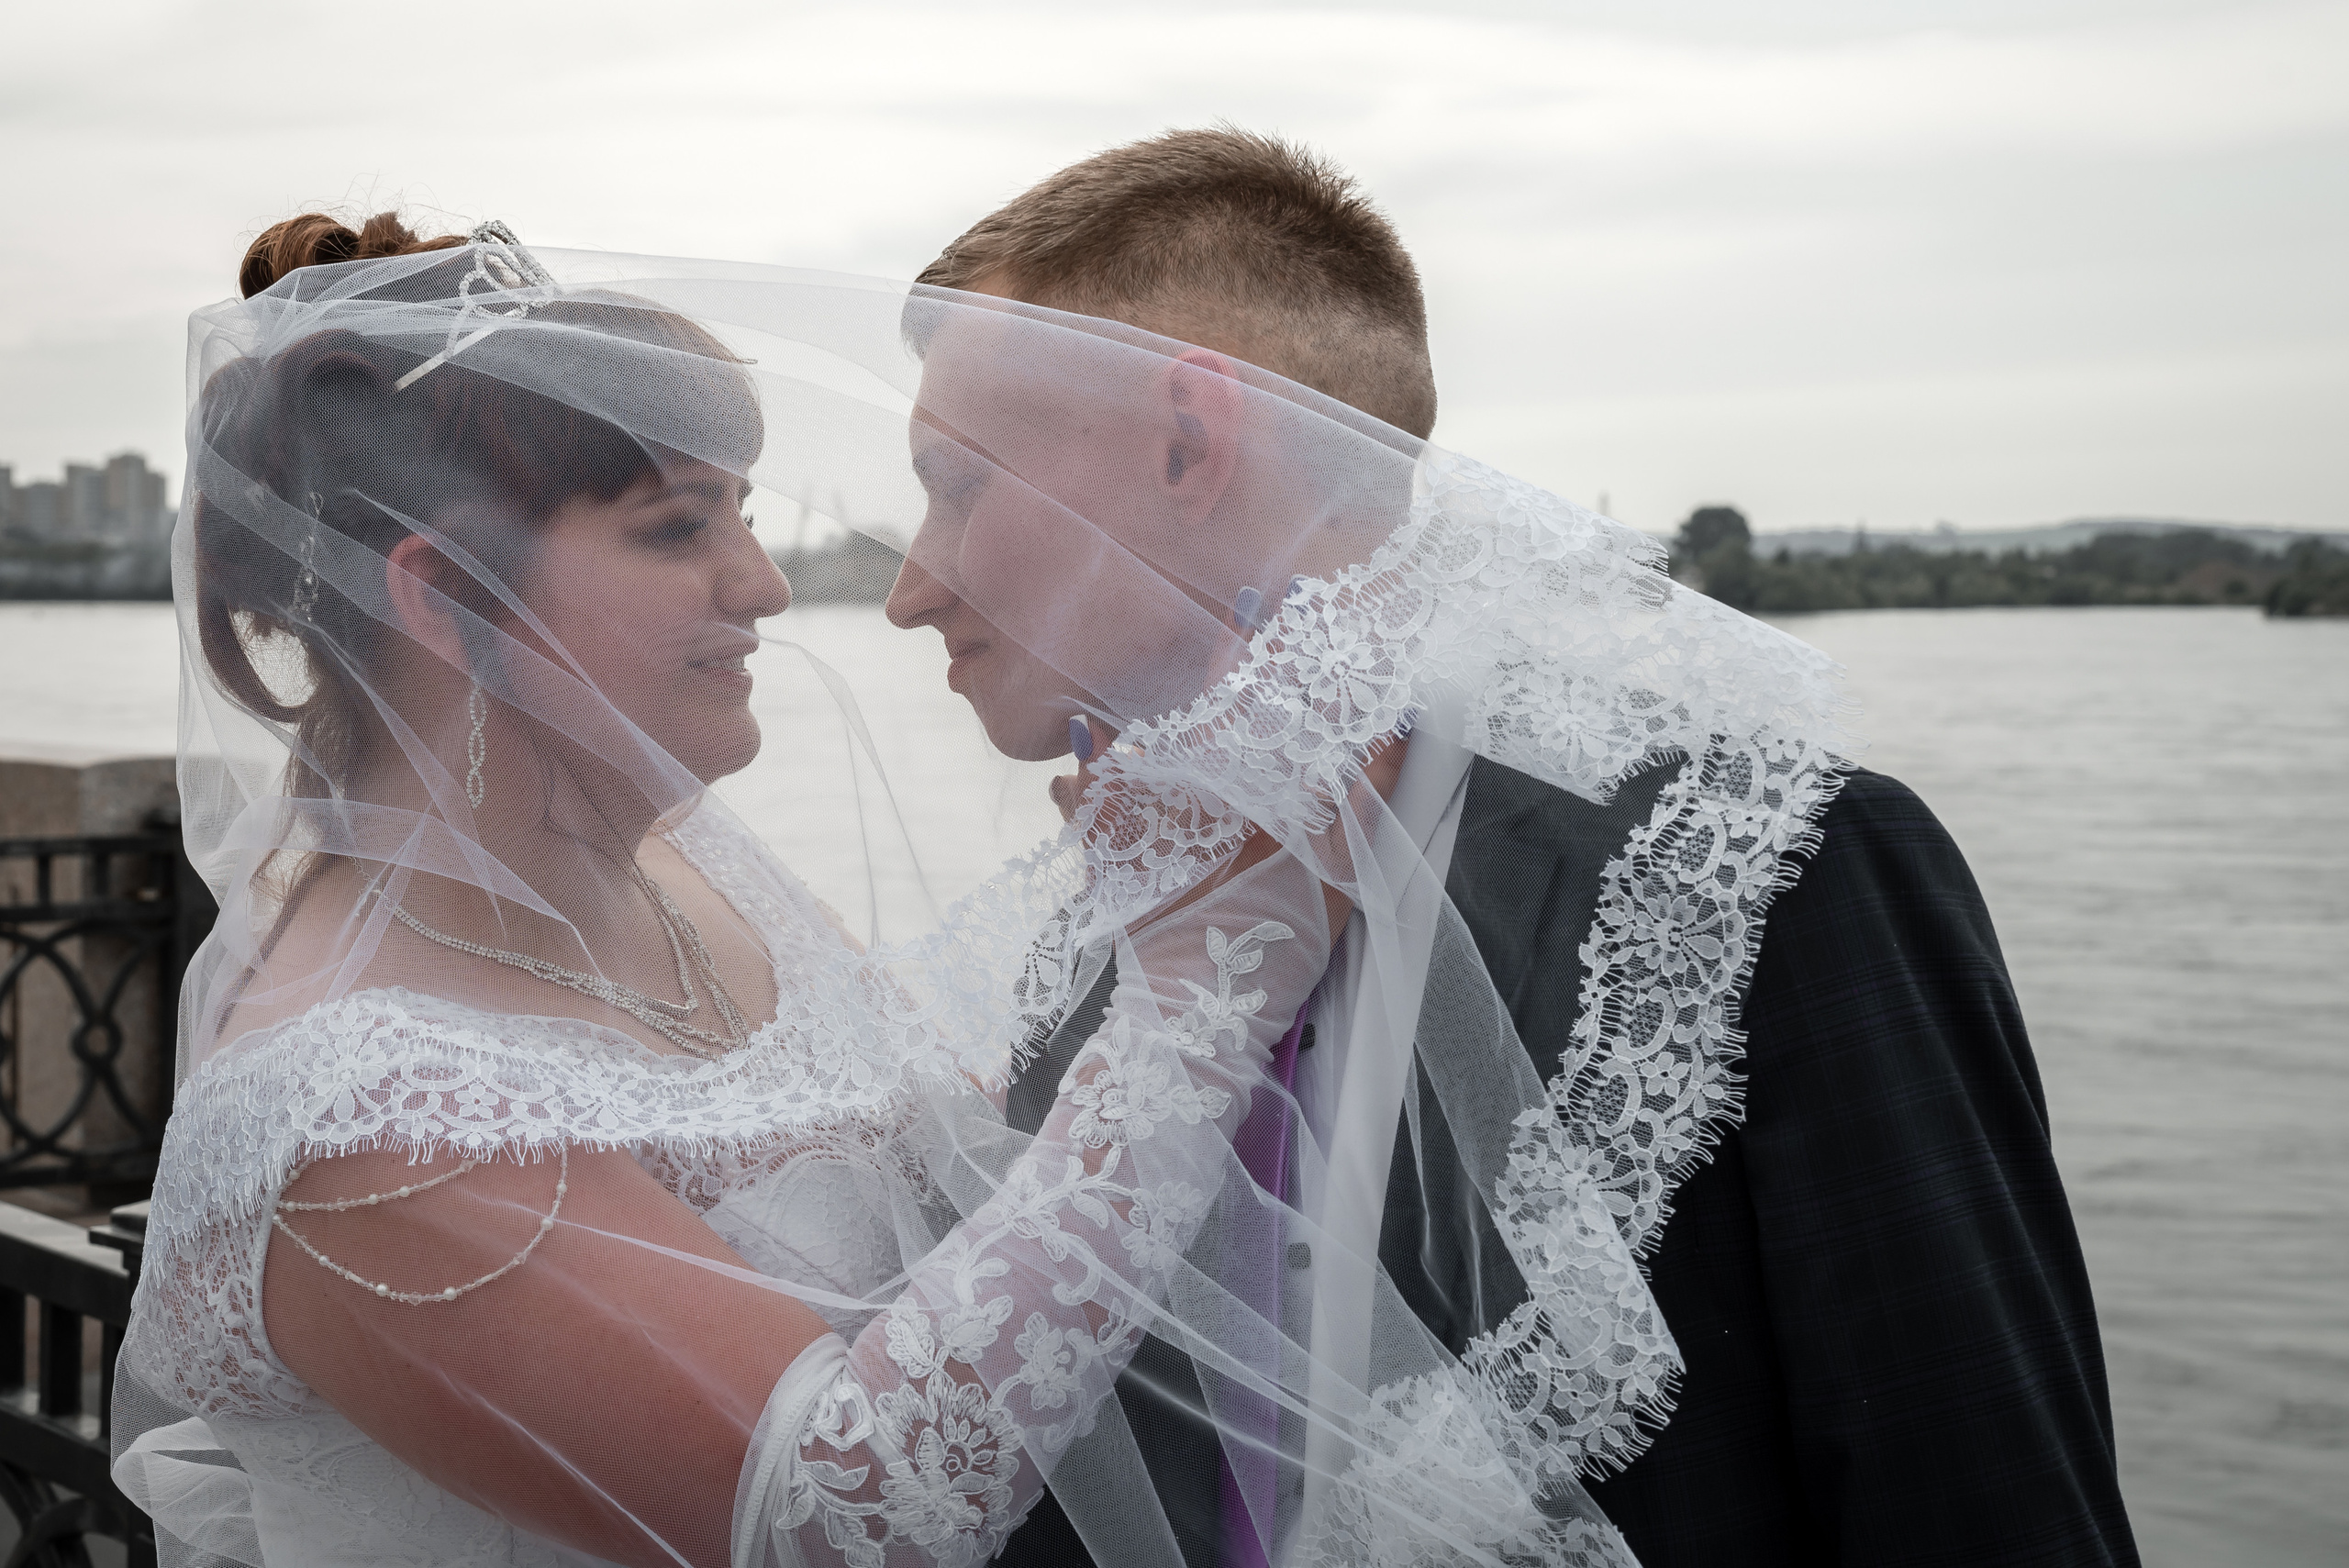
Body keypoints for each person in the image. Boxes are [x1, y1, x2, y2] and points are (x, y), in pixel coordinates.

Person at [117, 207, 1810, 1568]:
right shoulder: (351, 1122)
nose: (766, 582)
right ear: (437, 592)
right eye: (674, 525)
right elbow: (835, 1517)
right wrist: (1194, 993)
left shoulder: (690, 875)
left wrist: (1146, 880)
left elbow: (976, 1211)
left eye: (745, 513)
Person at [890, 128, 2141, 1567]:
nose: (912, 585)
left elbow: (1991, 1511)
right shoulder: (1089, 962)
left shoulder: (1768, 887)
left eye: (959, 483)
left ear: (1187, 438)